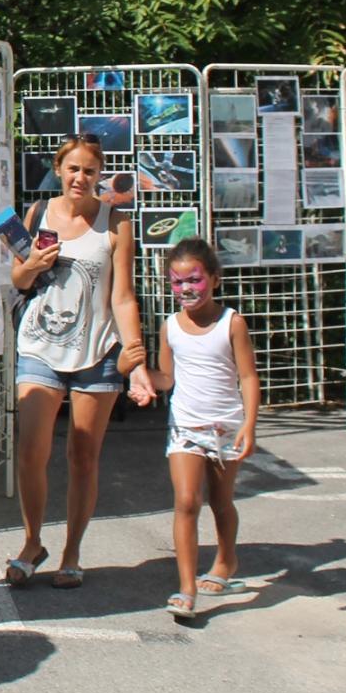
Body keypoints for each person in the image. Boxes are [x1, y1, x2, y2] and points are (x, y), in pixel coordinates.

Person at [5, 134, 146, 590]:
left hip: (97, 351)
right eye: (72, 169)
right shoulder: (36, 215)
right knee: (31, 450)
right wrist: (33, 264)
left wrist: (137, 356)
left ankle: (71, 552)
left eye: (89, 170)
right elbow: (19, 279)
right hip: (40, 346)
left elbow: (122, 296)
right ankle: (31, 542)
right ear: (59, 169)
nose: (80, 178)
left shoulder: (116, 223)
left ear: (99, 174)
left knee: (82, 456)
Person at [128, 238, 259, 620]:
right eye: (177, 282)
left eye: (194, 280)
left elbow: (248, 377)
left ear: (214, 280)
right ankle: (186, 588)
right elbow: (166, 377)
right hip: (184, 426)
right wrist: (140, 379)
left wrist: (249, 425)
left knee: (221, 501)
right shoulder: (170, 326)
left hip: (225, 427)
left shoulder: (232, 323)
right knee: (187, 501)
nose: (186, 289)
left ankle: (226, 560)